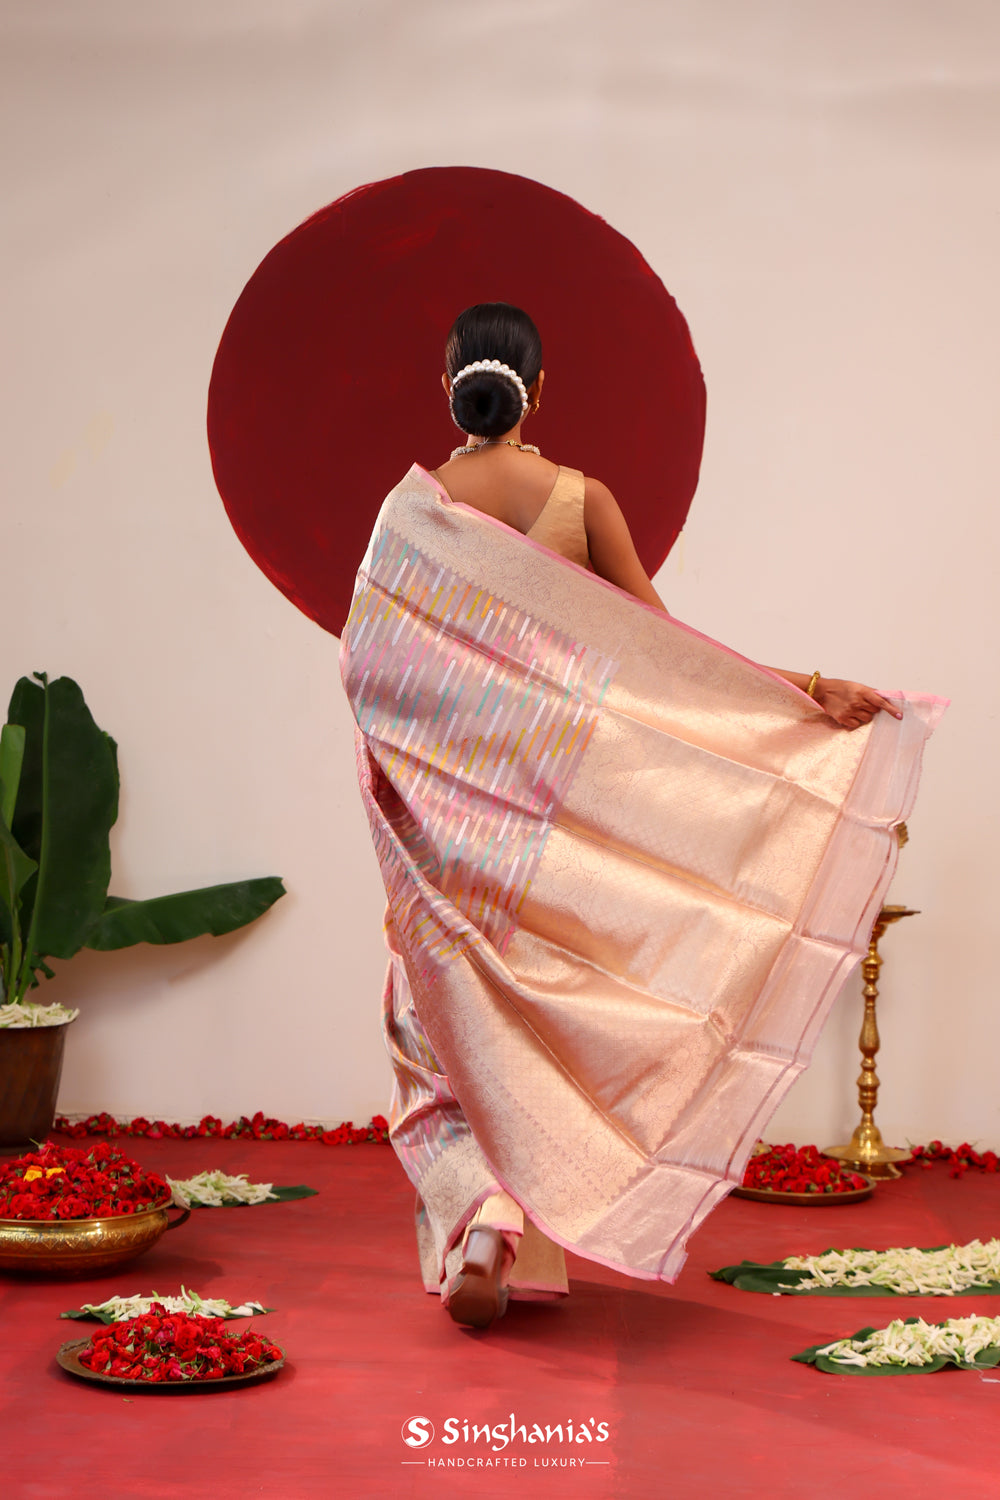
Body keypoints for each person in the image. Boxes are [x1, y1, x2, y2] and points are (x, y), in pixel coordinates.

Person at [340, 303, 944, 1330]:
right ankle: (523, 1218)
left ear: (447, 380)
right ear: (543, 388)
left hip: (446, 837)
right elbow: (671, 665)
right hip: (551, 829)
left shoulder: (416, 516)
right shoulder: (581, 500)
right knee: (531, 1029)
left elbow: (366, 670)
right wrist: (802, 692)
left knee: (435, 1031)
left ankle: (481, 1220)